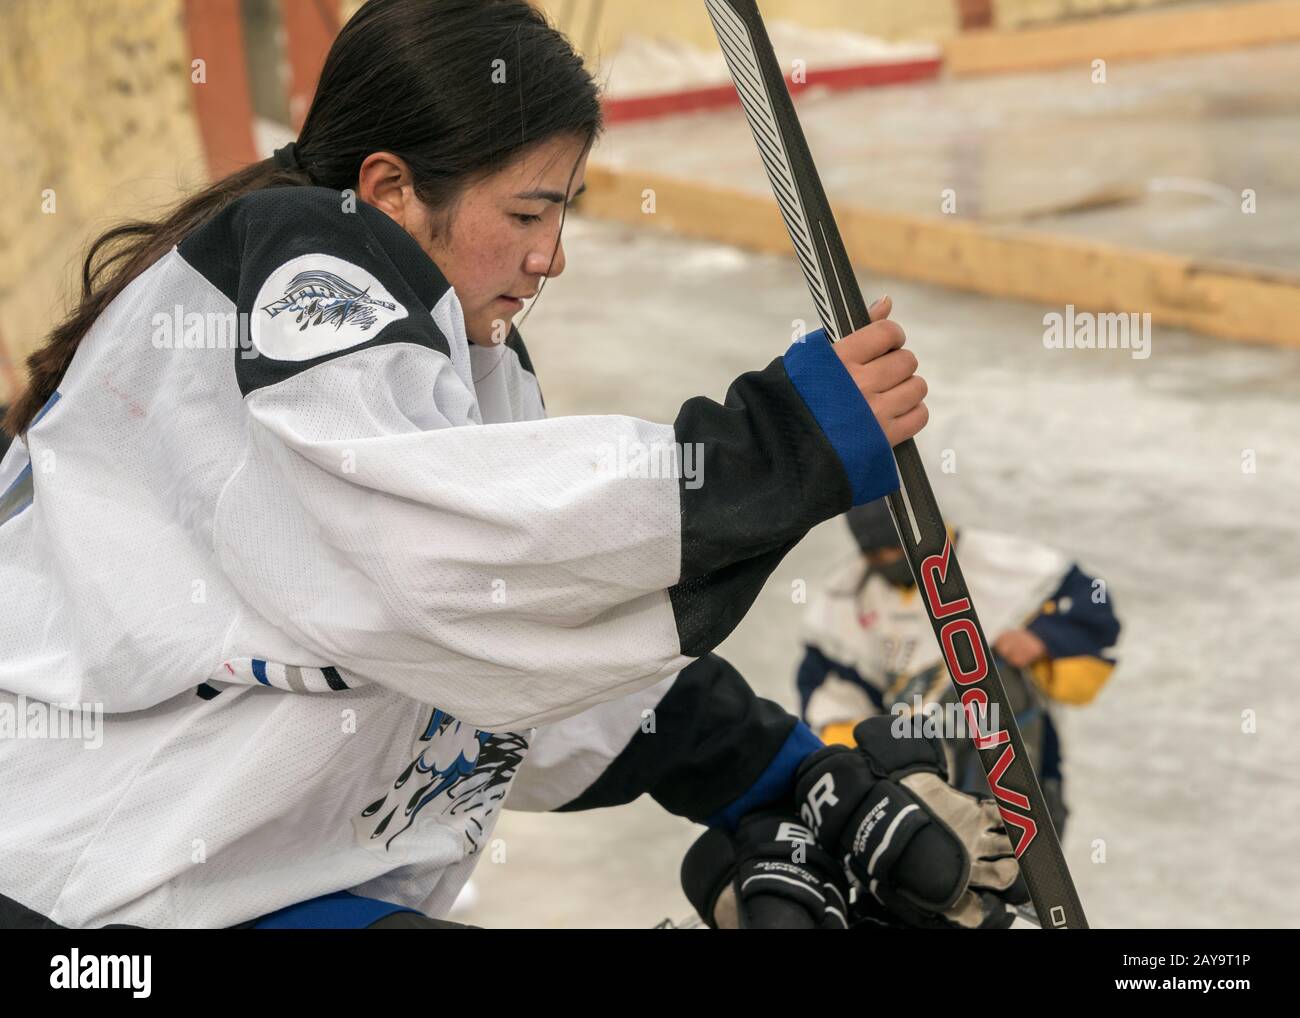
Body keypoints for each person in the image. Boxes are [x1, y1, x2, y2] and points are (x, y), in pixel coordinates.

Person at [0, 0, 950, 929]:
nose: (552, 257)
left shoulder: (456, 347)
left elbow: (510, 632)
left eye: (565, 213)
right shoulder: (304, 267)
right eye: (531, 212)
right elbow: (444, 562)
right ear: (390, 190)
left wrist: (768, 773)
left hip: (236, 868)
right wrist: (790, 441)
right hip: (79, 869)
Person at [795, 498, 1121, 835]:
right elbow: (830, 697)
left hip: (1015, 757)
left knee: (994, 681)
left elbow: (1091, 606)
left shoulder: (1002, 561)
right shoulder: (843, 598)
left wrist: (1042, 638)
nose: (889, 561)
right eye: (877, 555)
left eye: (896, 548)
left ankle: (1005, 819)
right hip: (914, 777)